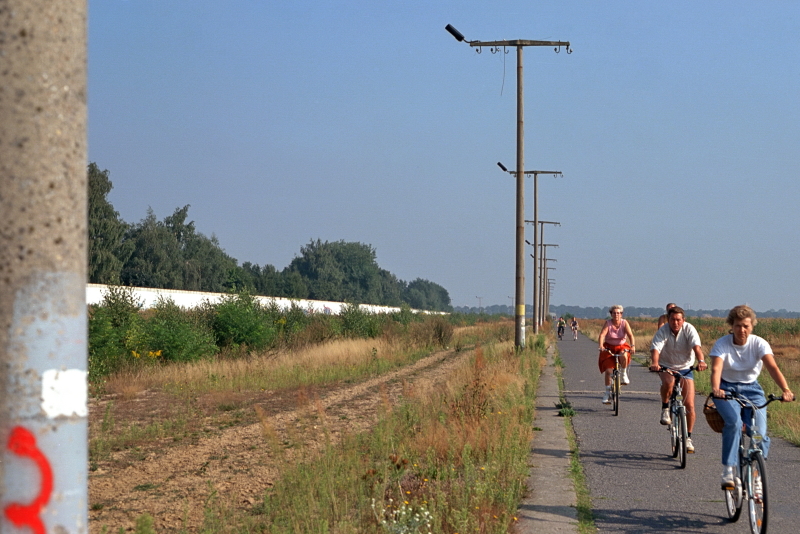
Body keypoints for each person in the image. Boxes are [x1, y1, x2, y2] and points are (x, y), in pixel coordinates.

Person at [710, 305, 795, 490]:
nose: (742, 330)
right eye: (738, 325)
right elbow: (716, 369)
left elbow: (773, 367)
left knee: (760, 434)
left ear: (752, 326)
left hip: (752, 390)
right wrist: (716, 389)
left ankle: (756, 473)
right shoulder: (722, 344)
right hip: (726, 389)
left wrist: (786, 390)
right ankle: (728, 470)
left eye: (746, 326)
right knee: (733, 423)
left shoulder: (759, 343)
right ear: (732, 326)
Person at [649, 306, 706, 453]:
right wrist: (655, 363)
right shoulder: (663, 331)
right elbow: (656, 349)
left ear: (683, 320)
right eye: (673, 319)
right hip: (666, 365)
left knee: (690, 405)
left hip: (685, 367)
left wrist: (701, 361)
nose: (675, 322)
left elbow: (697, 347)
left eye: (678, 320)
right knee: (668, 382)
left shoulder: (689, 329)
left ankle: (688, 438)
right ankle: (665, 408)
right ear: (668, 320)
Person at [598, 305, 636, 403]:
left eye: (618, 313)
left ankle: (623, 373)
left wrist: (632, 346)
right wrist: (601, 345)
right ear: (611, 314)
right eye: (614, 313)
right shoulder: (608, 323)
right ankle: (607, 393)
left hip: (621, 346)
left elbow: (630, 335)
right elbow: (602, 335)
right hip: (609, 347)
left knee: (624, 354)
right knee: (608, 371)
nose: (616, 315)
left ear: (621, 314)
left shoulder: (624, 323)